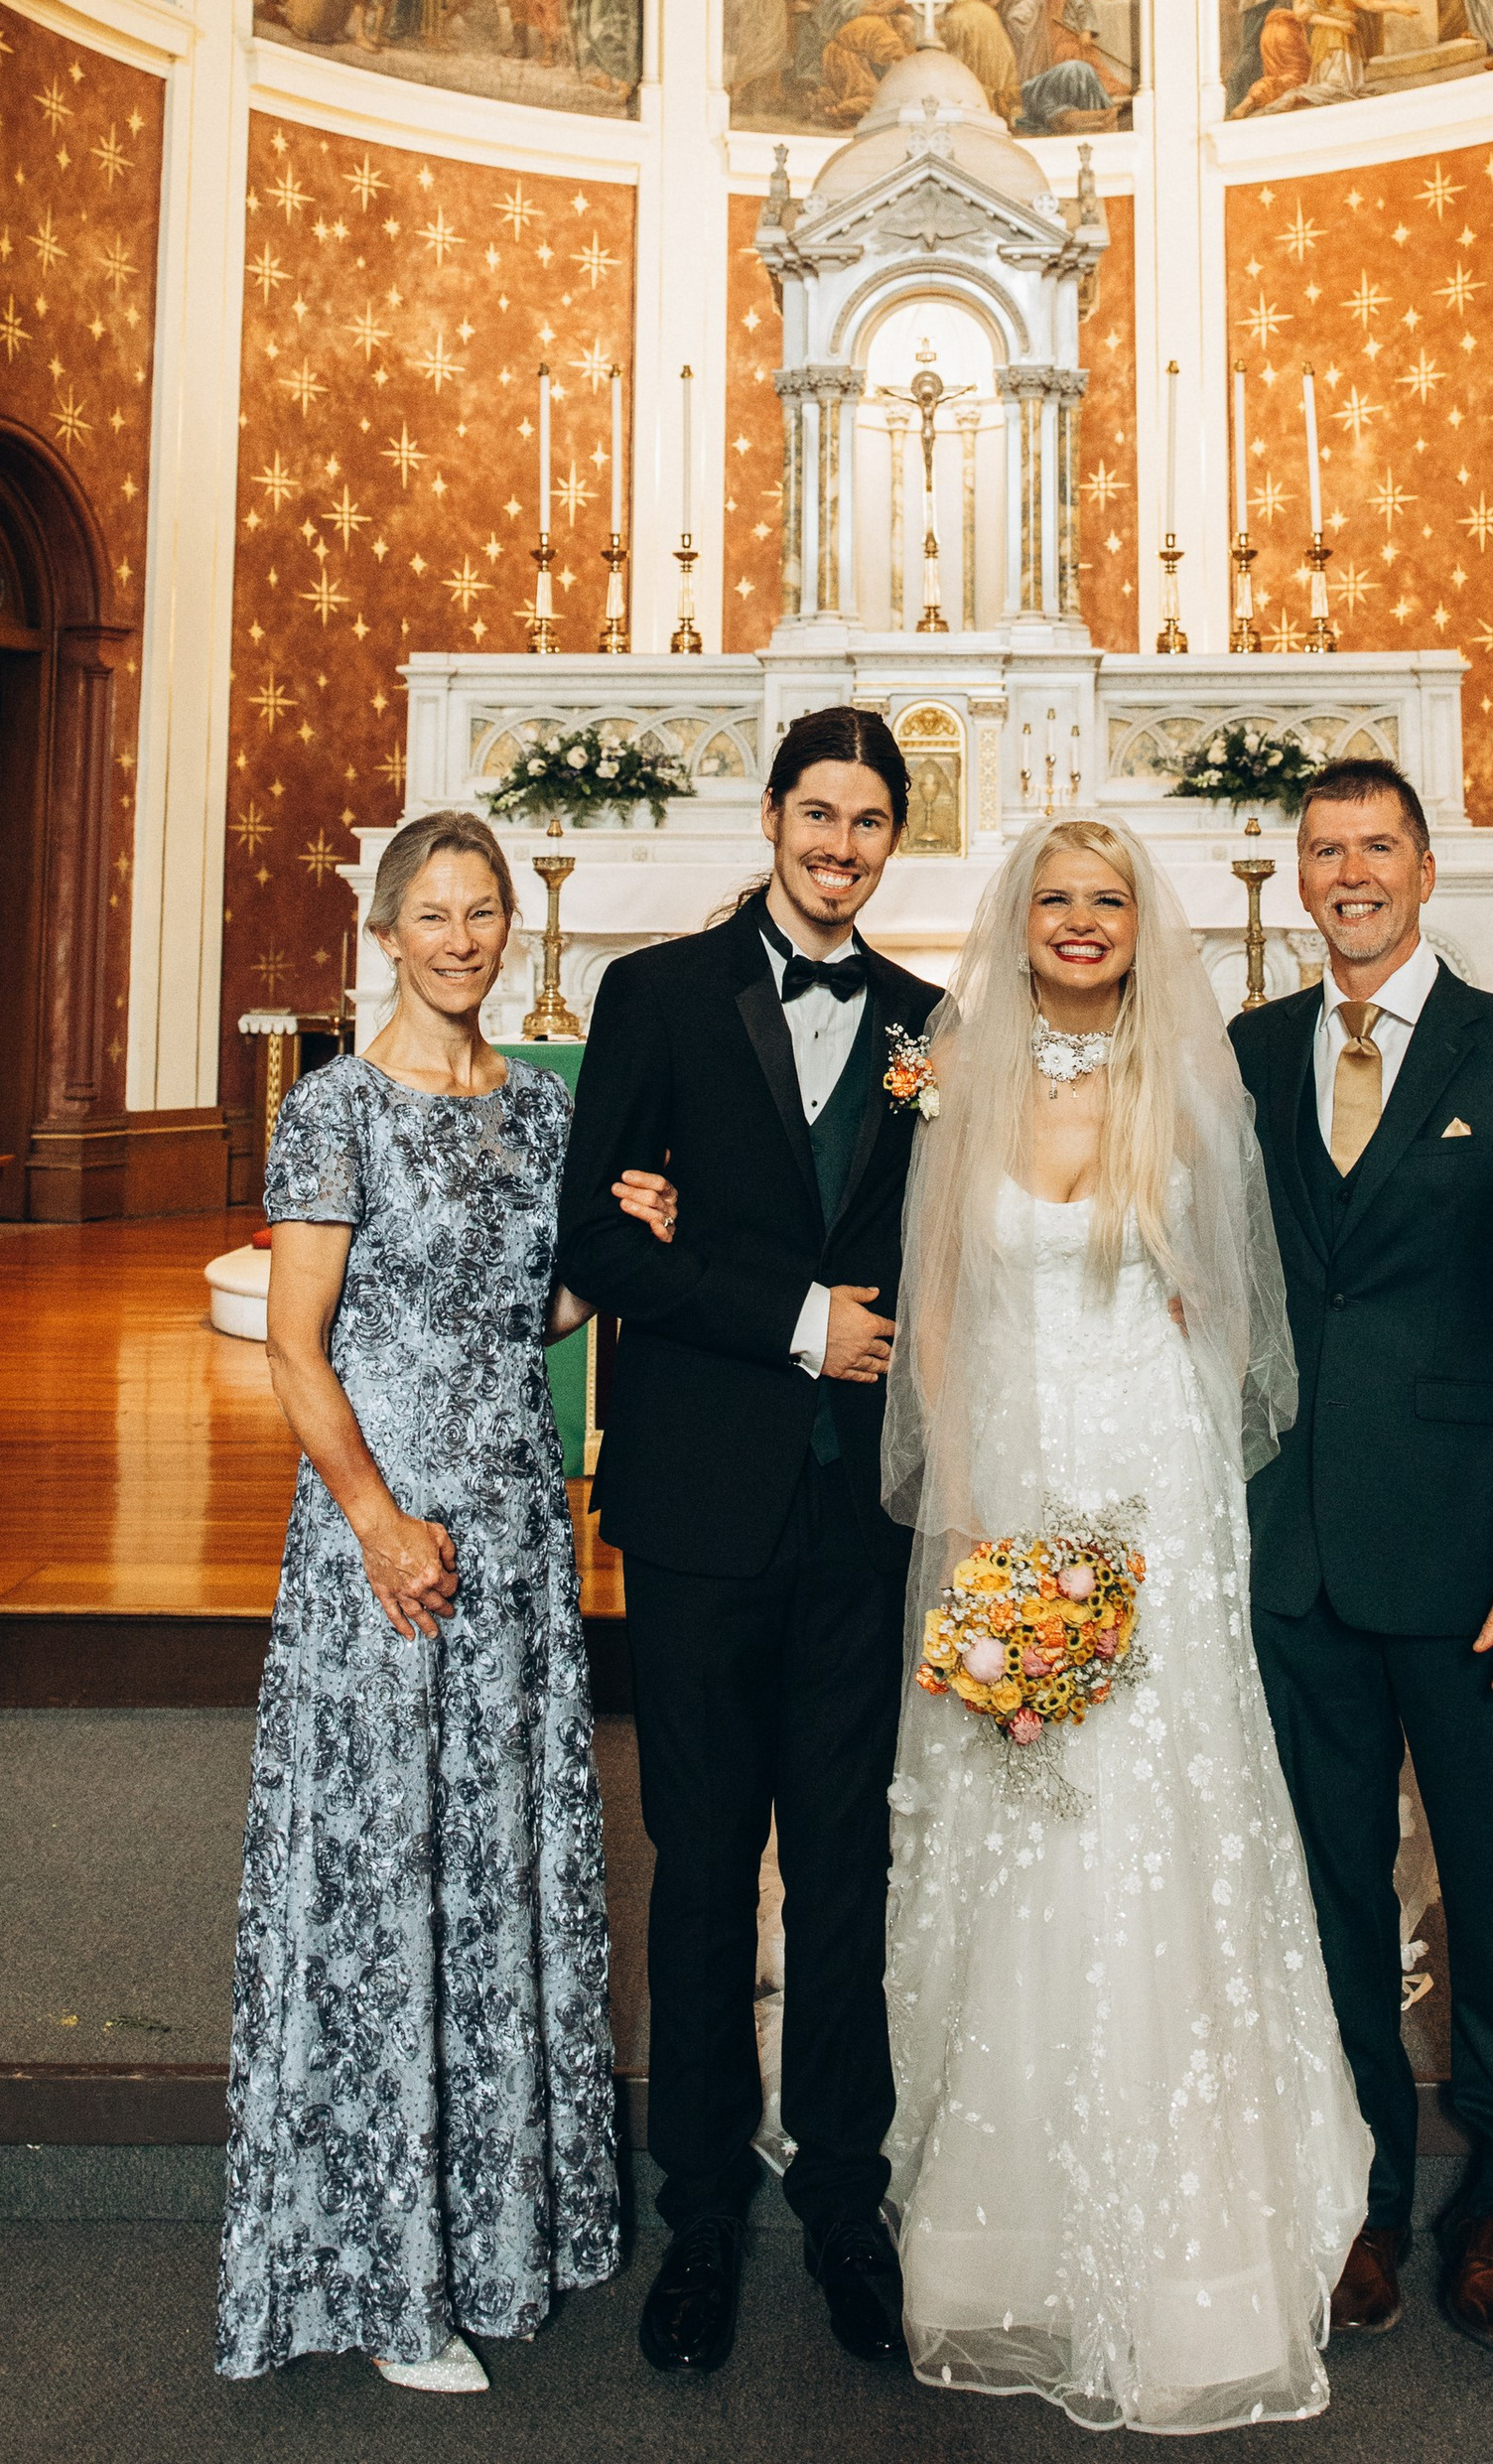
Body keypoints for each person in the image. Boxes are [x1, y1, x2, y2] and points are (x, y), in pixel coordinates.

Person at [882, 821, 1368, 2428]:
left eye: (1106, 901)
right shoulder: (961, 1078)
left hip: (1155, 1485)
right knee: (1020, 1819)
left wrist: (1181, 1368)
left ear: (1137, 925)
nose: (1081, 923)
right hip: (1014, 1474)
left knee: (1160, 1809)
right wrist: (970, 1509)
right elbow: (938, 1305)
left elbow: (1234, 1311)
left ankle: (1197, 2256)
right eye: (1056, 900)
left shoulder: (1192, 1079)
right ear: (1018, 921)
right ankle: (1006, 2241)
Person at [217, 809, 669, 2392]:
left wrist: (622, 1253)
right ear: (387, 931)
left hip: (515, 1530)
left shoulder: (539, 1110)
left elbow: (523, 1310)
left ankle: (496, 2227)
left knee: (494, 1861)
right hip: (385, 1536)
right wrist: (375, 1520)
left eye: (483, 913)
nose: (463, 939)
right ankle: (386, 2268)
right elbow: (297, 1344)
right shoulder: (336, 1107)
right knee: (388, 1864)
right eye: (435, 913)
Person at [552, 708, 941, 2381]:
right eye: (819, 814)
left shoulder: (930, 1024)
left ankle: (848, 2202)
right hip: (702, 1504)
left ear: (894, 840)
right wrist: (796, 1322)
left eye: (870, 822)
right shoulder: (655, 995)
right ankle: (701, 2212)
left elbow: (949, 1244)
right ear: (771, 816)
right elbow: (593, 1242)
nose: (841, 846)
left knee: (847, 1870)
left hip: (863, 1517)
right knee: (706, 1867)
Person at [1231, 762, 1493, 2363]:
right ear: (1298, 874)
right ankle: (1364, 2200)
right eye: (1325, 849)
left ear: (1424, 865)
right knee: (1328, 1895)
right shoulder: (1250, 1053)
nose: (1351, 873)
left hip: (1474, 1568)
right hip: (1298, 1557)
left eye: (1376, 846)